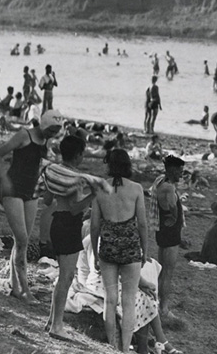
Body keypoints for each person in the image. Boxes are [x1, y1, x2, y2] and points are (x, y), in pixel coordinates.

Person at [41, 136, 109, 342]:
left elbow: (46, 199)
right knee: (66, 277)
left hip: (55, 222)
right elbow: (74, 209)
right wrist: (92, 195)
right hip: (69, 226)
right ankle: (56, 325)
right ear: (78, 155)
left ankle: (51, 320)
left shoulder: (54, 172)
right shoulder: (75, 178)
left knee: (63, 276)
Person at [0, 110, 62, 302]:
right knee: (22, 240)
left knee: (22, 240)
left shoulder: (46, 141)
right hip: (12, 190)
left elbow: (37, 164)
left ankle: (15, 286)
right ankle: (25, 290)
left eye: (55, 133)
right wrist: (3, 179)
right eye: (51, 131)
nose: (52, 136)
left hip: (31, 192)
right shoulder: (24, 135)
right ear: (44, 125)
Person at [90, 149, 147, 352]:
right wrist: (145, 250)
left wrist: (95, 254)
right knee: (129, 300)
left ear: (109, 164)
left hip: (108, 246)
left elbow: (94, 225)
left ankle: (112, 346)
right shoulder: (136, 188)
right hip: (131, 246)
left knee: (110, 299)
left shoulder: (99, 188)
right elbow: (142, 225)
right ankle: (124, 347)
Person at [152, 155, 185, 319]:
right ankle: (163, 309)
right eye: (180, 171)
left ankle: (157, 305)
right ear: (172, 170)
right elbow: (172, 205)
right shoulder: (169, 188)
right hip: (170, 231)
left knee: (162, 269)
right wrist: (174, 216)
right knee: (167, 272)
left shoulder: (160, 180)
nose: (181, 174)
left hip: (162, 229)